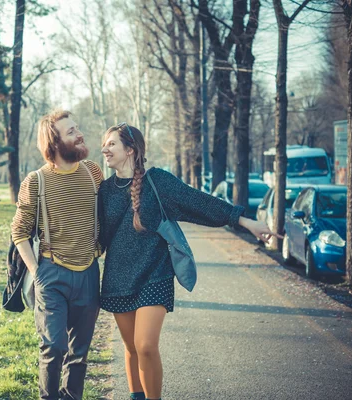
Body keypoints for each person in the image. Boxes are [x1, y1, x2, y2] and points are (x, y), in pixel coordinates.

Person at [98, 123, 281, 400]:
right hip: (118, 277)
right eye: (105, 144)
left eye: (112, 144)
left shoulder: (158, 181)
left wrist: (243, 221)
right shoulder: (103, 190)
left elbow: (199, 202)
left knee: (145, 345)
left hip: (154, 274)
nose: (105, 149)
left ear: (131, 149)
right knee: (131, 348)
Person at [10, 109, 104, 400]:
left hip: (89, 272)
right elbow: (19, 233)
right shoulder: (35, 182)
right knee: (54, 346)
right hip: (52, 274)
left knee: (79, 353)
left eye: (77, 128)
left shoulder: (93, 172)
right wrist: (38, 274)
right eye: (71, 131)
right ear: (55, 143)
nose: (80, 134)